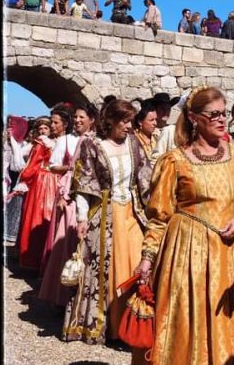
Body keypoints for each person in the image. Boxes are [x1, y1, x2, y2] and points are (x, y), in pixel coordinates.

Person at [130, 85, 234, 365]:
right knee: (184, 328)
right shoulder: (174, 161)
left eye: (224, 113)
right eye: (214, 115)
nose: (223, 120)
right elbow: (160, 216)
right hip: (185, 257)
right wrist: (147, 258)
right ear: (194, 118)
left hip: (230, 256)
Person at [62, 99, 152, 345]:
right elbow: (84, 184)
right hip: (104, 213)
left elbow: (146, 177)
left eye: (131, 121)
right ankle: (108, 326)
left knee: (137, 263)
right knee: (108, 268)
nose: (129, 127)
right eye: (124, 121)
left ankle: (133, 324)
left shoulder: (134, 143)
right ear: (110, 121)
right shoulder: (94, 145)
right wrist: (82, 217)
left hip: (133, 213)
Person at [39, 102, 98, 307]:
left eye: (82, 117)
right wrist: (67, 185)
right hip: (73, 196)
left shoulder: (95, 141)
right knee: (68, 245)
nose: (78, 120)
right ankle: (64, 295)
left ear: (92, 120)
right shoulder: (70, 140)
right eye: (76, 117)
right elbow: (62, 168)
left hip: (93, 197)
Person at [18, 103, 73, 271]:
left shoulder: (65, 141)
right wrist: (24, 179)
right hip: (46, 182)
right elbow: (32, 162)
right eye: (51, 123)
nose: (50, 127)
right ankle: (37, 260)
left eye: (54, 123)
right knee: (41, 218)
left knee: (48, 219)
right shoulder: (44, 143)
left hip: (55, 182)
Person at [4, 117, 47, 248]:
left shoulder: (51, 143)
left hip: (43, 182)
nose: (42, 131)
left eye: (45, 128)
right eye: (40, 128)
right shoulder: (33, 145)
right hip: (30, 179)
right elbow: (19, 161)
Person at [149, 92, 181, 159]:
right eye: (162, 109)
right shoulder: (148, 130)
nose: (166, 111)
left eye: (168, 109)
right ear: (156, 110)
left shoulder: (172, 130)